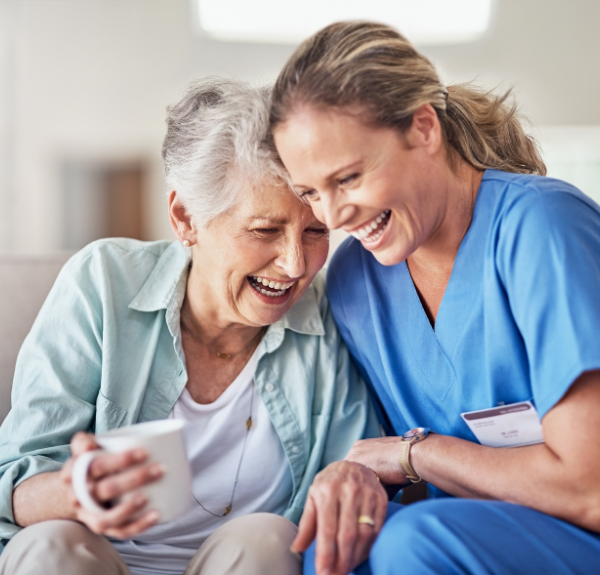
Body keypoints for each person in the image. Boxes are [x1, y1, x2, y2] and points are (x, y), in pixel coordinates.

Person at [0, 78, 379, 575]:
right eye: (264, 230)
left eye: (315, 231)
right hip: (96, 559)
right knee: (52, 546)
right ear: (185, 218)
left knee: (267, 538)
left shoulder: (335, 313)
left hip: (246, 563)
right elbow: (13, 479)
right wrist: (77, 490)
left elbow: (353, 474)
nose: (293, 265)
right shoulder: (103, 283)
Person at [270, 21, 600, 575]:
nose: (332, 217)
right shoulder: (356, 279)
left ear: (424, 128)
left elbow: (589, 487)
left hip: (578, 532)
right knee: (330, 548)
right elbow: (385, 462)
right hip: (468, 534)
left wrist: (416, 455)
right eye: (310, 193)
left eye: (348, 178)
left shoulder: (542, 227)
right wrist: (356, 476)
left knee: (411, 544)